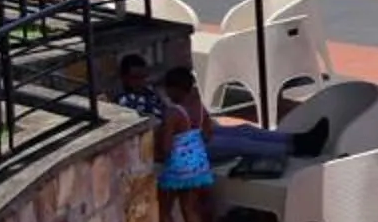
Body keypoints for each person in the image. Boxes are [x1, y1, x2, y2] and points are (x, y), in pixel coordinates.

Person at [110, 55, 329, 166]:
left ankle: (298, 140)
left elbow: (174, 111)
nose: (141, 81)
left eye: (143, 75)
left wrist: (201, 124)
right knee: (241, 144)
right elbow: (156, 135)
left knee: (244, 130)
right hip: (181, 148)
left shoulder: (149, 92)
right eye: (136, 77)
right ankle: (295, 149)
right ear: (124, 78)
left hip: (189, 134)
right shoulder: (124, 103)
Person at [154, 66, 216, 222]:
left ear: (175, 89)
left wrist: (158, 154)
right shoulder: (199, 108)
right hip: (198, 167)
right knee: (191, 211)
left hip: (176, 169)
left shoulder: (173, 113)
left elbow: (166, 147)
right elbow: (208, 134)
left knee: (163, 212)